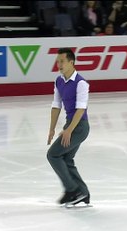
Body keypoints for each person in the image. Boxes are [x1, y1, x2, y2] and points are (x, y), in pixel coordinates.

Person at [47, 48, 91, 206]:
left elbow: (81, 109)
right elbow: (56, 105)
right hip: (70, 125)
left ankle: (73, 190)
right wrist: (52, 128)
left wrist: (69, 130)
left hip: (79, 127)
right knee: (67, 158)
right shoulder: (59, 81)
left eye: (62, 61)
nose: (59, 64)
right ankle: (83, 193)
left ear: (71, 62)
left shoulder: (81, 83)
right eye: (58, 61)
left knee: (53, 155)